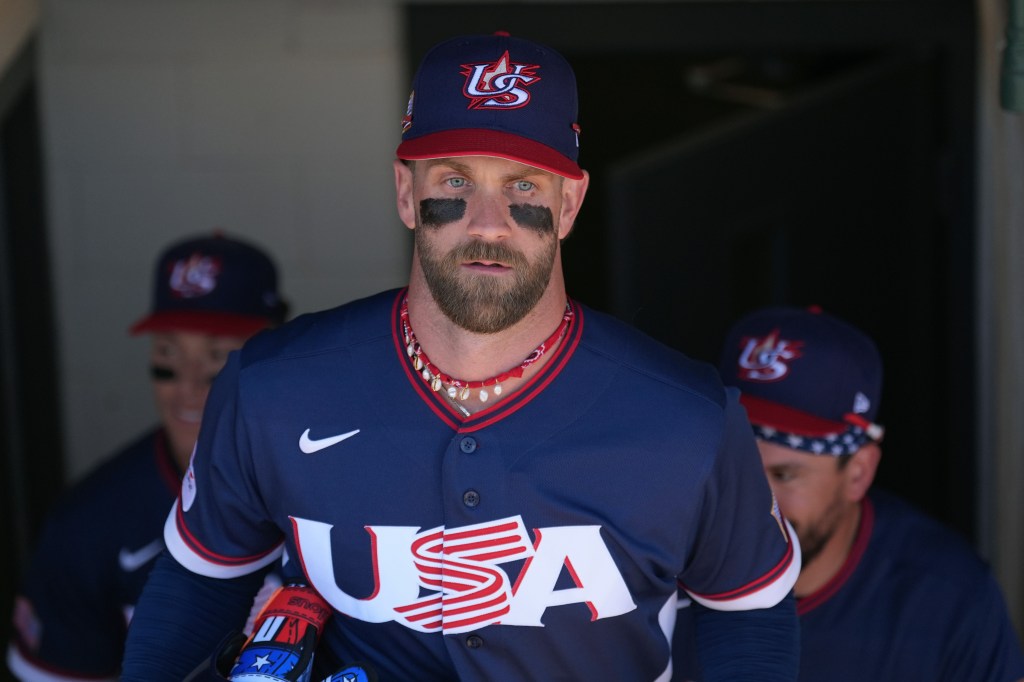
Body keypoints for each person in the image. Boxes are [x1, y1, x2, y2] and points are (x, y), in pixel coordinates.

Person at [121, 33, 801, 681]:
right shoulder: (272, 387)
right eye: (455, 180)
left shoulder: (690, 420)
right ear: (404, 191)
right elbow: (200, 580)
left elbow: (748, 615)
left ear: (570, 205)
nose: (486, 221)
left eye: (524, 187)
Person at [674, 305, 1024, 681]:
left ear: (859, 473)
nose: (752, 501)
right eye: (736, 468)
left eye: (785, 474)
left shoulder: (948, 595)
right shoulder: (655, 564)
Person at [6, 232, 288, 681]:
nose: (188, 385)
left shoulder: (337, 478)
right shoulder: (89, 520)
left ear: (278, 349)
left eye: (216, 358)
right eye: (167, 357)